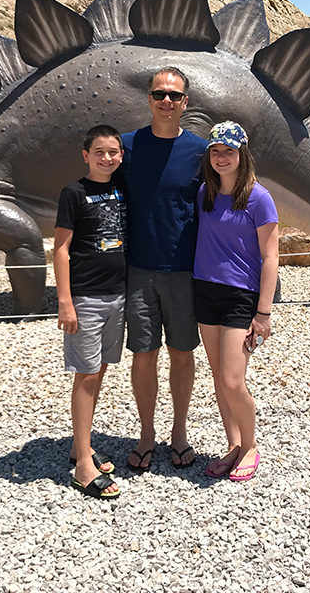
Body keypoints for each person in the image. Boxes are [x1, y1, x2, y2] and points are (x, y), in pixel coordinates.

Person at [120, 67, 207, 471]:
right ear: (149, 99)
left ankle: (179, 433)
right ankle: (147, 435)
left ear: (185, 102)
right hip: (138, 269)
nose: (167, 102)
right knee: (143, 355)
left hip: (183, 271)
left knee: (183, 353)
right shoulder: (126, 147)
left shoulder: (200, 152)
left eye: (174, 96)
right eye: (160, 94)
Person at [193, 121, 279, 482]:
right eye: (216, 151)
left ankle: (251, 445)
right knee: (218, 376)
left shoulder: (259, 198)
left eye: (229, 151)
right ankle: (233, 445)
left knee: (232, 379)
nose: (222, 157)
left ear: (242, 154)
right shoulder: (204, 194)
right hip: (205, 291)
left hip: (241, 297)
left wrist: (263, 313)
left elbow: (271, 256)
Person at [53, 125, 127, 499]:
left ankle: (80, 445)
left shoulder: (120, 188)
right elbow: (61, 249)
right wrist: (65, 301)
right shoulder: (74, 193)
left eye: (113, 152)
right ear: (86, 156)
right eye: (100, 152)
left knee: (98, 371)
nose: (107, 158)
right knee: (84, 375)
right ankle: (83, 465)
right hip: (86, 298)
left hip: (118, 296)